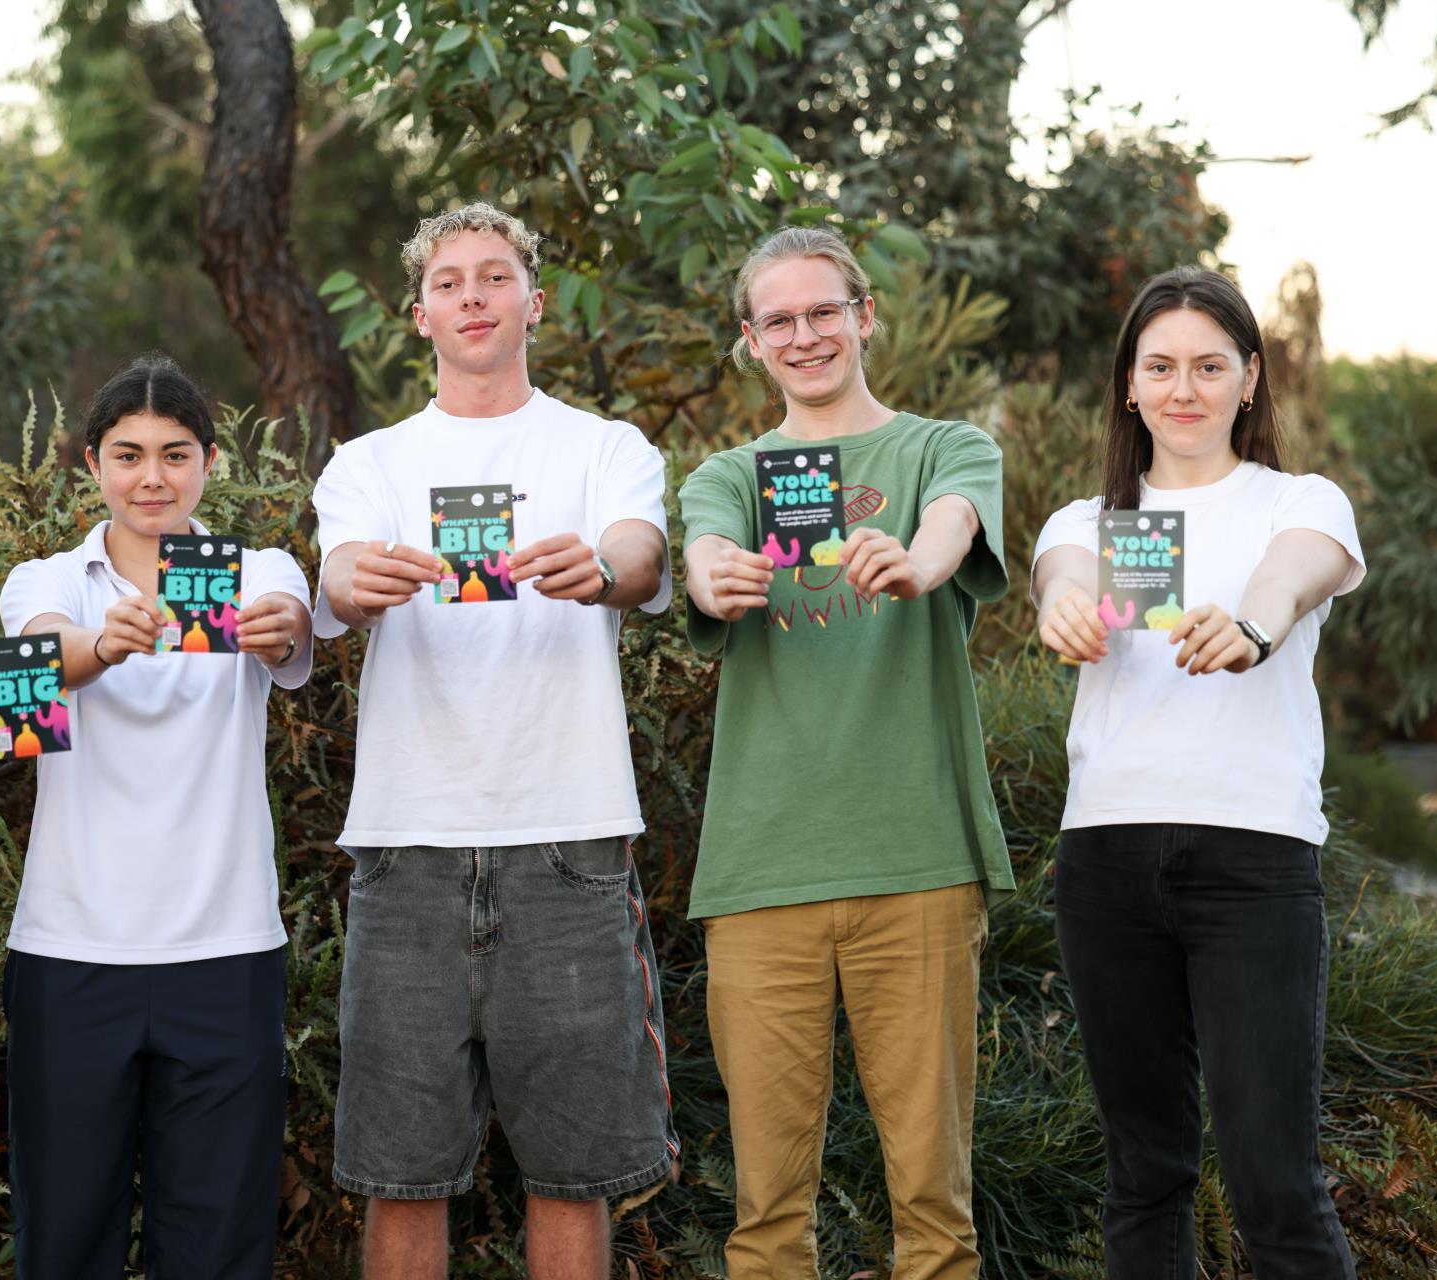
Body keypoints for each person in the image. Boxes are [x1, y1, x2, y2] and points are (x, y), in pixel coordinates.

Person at [312, 202, 677, 1280]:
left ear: (533, 299)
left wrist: (602, 568)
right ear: (416, 313)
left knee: (572, 1173)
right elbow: (335, 575)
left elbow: (640, 553)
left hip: (569, 845)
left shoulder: (604, 446)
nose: (472, 295)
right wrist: (357, 580)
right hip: (405, 845)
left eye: (494, 275)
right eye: (450, 281)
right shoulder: (368, 461)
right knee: (398, 1173)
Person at [678, 225, 1014, 1280]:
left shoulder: (940, 448)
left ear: (863, 315)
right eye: (777, 318)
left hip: (915, 860)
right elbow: (701, 550)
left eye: (823, 309)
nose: (805, 333)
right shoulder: (727, 473)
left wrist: (916, 558)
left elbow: (954, 523)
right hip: (760, 870)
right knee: (766, 1214)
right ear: (749, 340)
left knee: (932, 1207)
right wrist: (711, 577)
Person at [1031, 267, 1363, 1279]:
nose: (1184, 387)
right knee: (1143, 1169)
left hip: (1250, 865)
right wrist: (1064, 610)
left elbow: (1293, 571)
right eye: (1161, 365)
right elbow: (1064, 576)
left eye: (1208, 366)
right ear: (1128, 383)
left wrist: (1253, 624)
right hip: (1106, 863)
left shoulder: (1295, 502)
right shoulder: (1086, 518)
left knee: (1272, 1178)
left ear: (1247, 379)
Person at [0, 354, 313, 1279]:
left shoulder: (257, 567)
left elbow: (291, 618)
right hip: (68, 951)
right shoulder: (44, 578)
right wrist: (103, 644)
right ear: (91, 463)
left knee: (219, 1237)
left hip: (225, 948)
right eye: (128, 455)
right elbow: (40, 660)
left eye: (175, 454)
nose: (152, 477)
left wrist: (280, 624)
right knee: (64, 1233)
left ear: (209, 461)